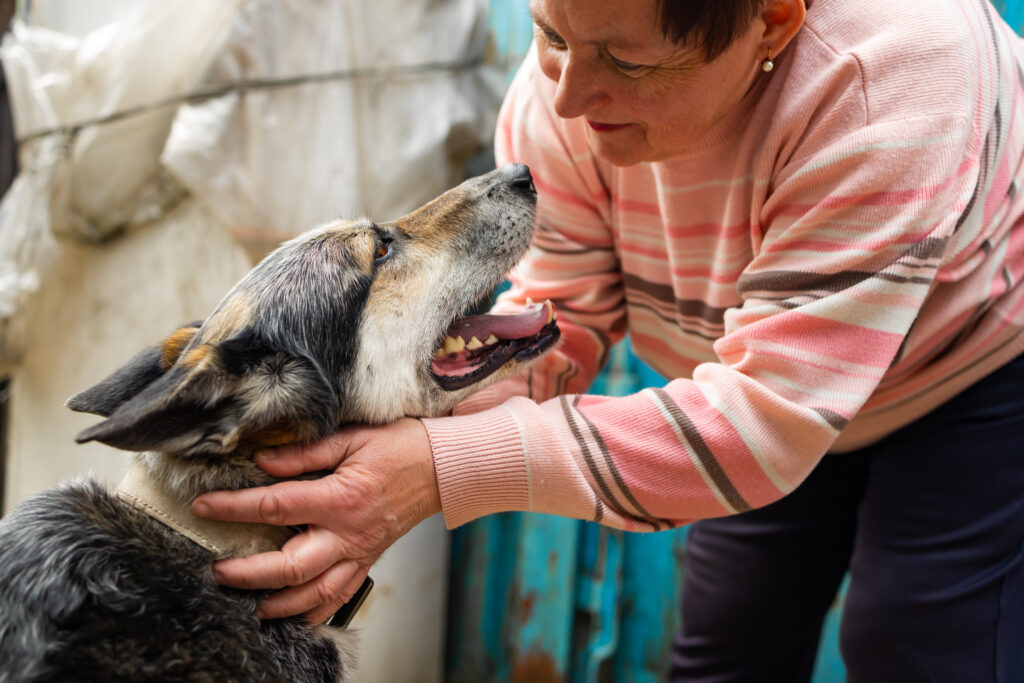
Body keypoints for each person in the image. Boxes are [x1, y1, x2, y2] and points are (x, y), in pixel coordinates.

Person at [192, 0, 1024, 679]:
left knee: (914, 641)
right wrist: (415, 437)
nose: (566, 101)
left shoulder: (894, 84)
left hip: (968, 366)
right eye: (550, 35)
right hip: (748, 371)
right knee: (726, 637)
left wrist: (437, 471)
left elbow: (759, 428)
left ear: (771, 22)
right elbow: (569, 313)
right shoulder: (572, 79)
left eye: (627, 64)